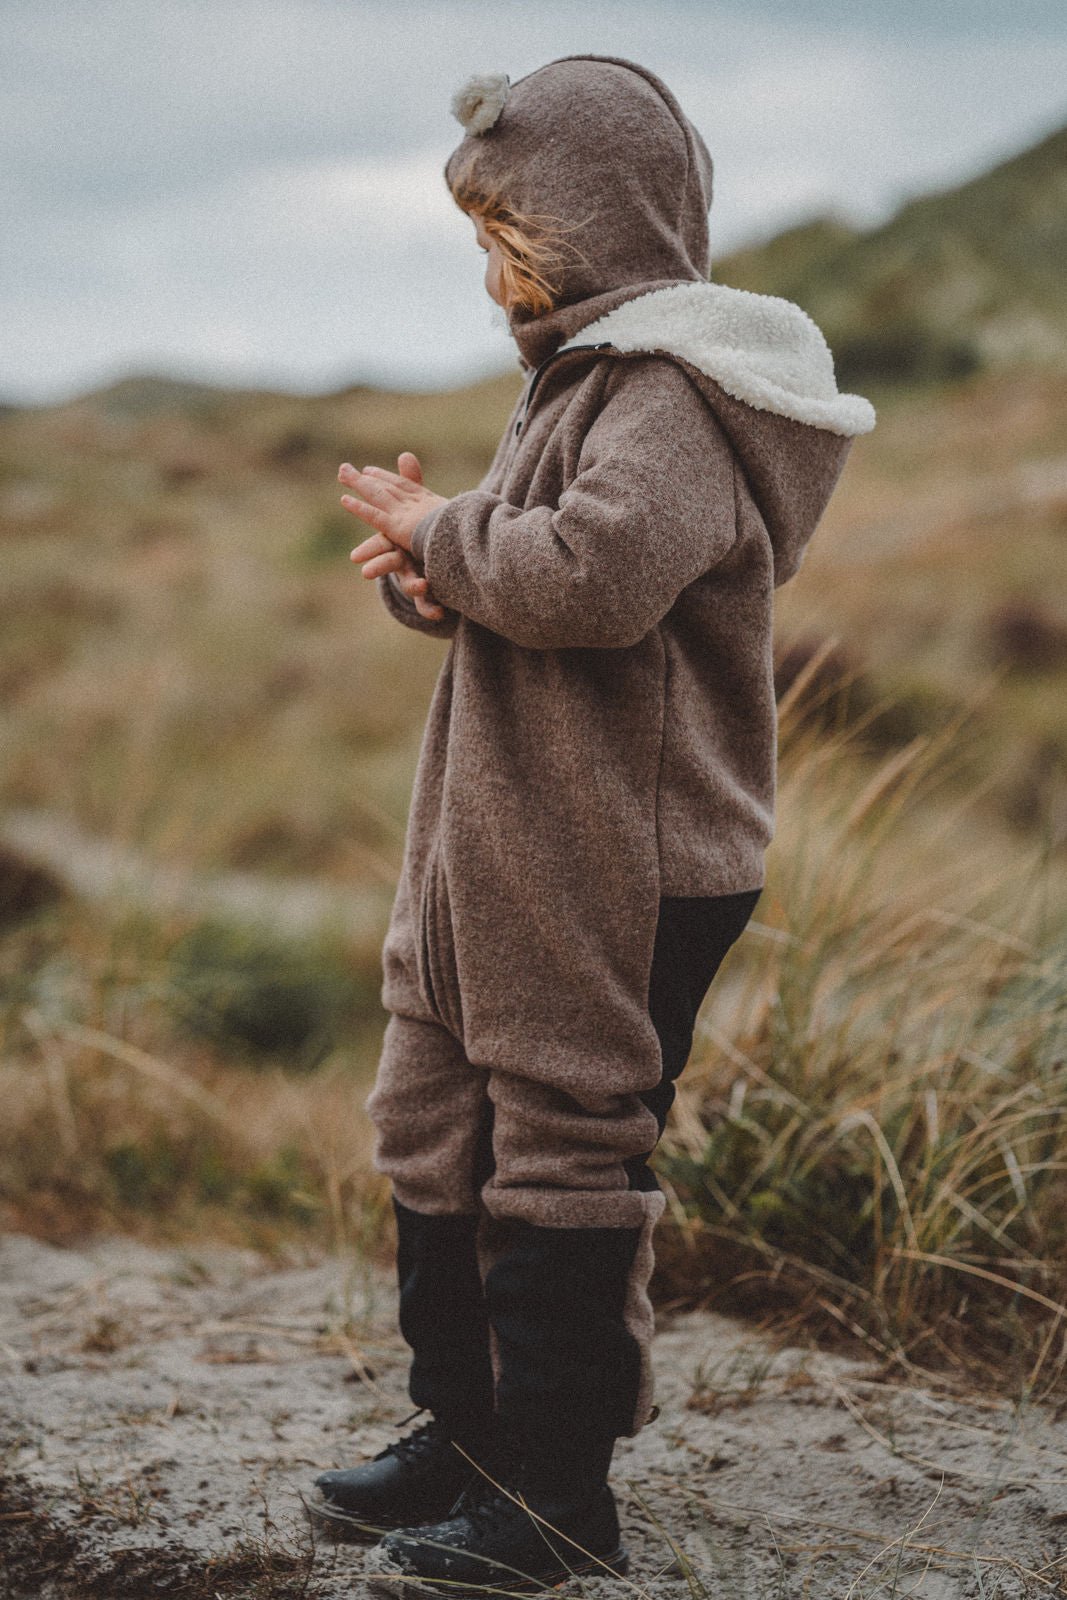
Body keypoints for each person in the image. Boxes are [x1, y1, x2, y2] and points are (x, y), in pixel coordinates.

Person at [307, 54, 876, 1596]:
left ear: (610, 223)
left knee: (559, 1146)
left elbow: (594, 577)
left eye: (521, 242)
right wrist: (444, 586)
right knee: (433, 1119)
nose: (499, 274)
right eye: (485, 244)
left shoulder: (680, 395)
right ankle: (466, 1434)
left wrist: (450, 533)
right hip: (498, 845)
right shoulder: (583, 378)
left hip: (614, 858)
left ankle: (558, 1495)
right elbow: (536, 591)